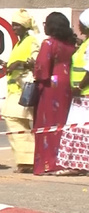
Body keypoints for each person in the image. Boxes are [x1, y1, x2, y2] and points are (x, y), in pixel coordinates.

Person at [0, 10, 40, 173]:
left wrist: (19, 63)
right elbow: (13, 67)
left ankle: (29, 160)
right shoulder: (18, 44)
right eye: (13, 25)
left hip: (23, 90)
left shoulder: (32, 42)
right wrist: (2, 62)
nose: (14, 28)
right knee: (13, 122)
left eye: (17, 25)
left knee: (15, 121)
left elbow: (35, 63)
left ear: (24, 26)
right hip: (14, 89)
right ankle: (25, 161)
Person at [33, 12, 76, 176]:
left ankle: (47, 163)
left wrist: (36, 74)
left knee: (47, 123)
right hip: (67, 85)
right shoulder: (70, 44)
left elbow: (42, 68)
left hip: (51, 86)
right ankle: (62, 160)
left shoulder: (48, 43)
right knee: (63, 123)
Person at [58, 9, 89, 175]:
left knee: (78, 130)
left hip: (84, 94)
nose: (78, 27)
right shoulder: (84, 44)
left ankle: (77, 165)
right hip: (82, 95)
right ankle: (79, 164)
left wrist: (78, 87)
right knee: (79, 131)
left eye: (81, 24)